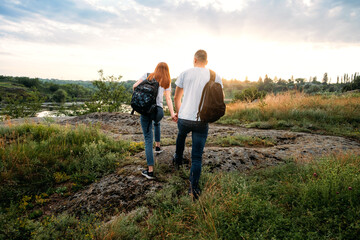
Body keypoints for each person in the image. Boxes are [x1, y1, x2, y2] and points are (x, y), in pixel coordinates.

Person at [173, 49, 223, 199]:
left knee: (181, 137)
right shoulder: (215, 75)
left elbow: (176, 98)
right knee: (196, 157)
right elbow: (219, 99)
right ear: (206, 62)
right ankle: (193, 190)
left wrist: (179, 113)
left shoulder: (185, 73)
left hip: (184, 117)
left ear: (194, 60)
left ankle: (177, 160)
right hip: (202, 120)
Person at [133, 62, 177, 179]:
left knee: (148, 139)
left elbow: (134, 86)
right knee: (156, 123)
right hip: (158, 111)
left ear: (156, 68)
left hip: (146, 110)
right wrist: (172, 114)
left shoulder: (147, 75)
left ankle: (150, 171)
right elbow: (168, 98)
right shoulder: (167, 81)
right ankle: (158, 147)